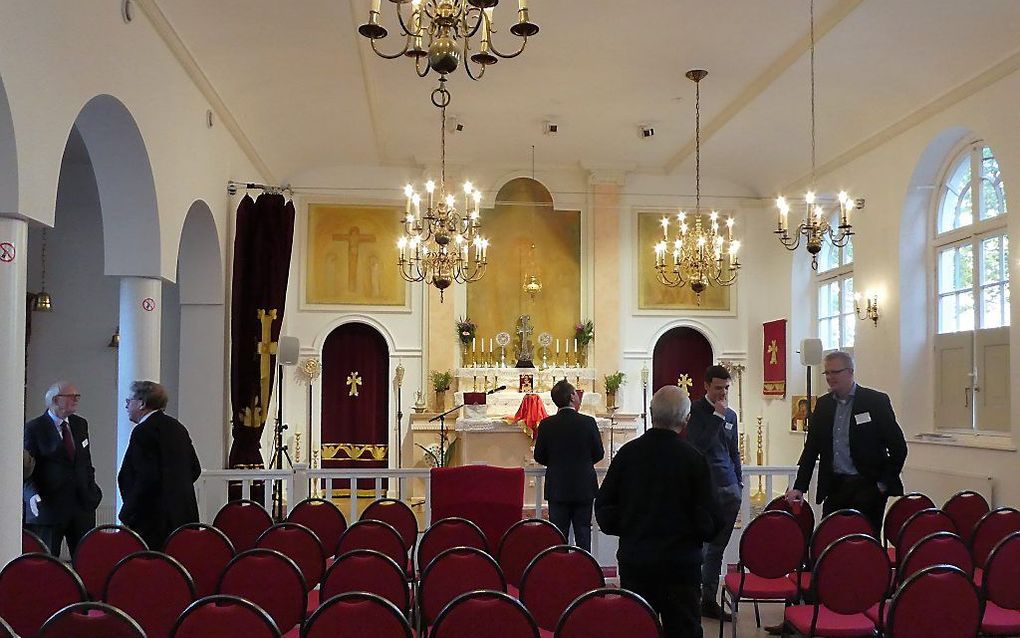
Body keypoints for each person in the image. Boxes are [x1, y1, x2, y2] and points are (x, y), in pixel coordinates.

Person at [596, 386, 722, 638]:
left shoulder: (628, 455)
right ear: (687, 419)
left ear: (651, 413)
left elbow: (604, 510)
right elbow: (711, 520)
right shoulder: (694, 459)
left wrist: (631, 525)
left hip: (637, 560)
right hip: (681, 564)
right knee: (684, 629)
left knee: (638, 628)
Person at [786, 351, 908, 534]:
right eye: (827, 373)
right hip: (835, 486)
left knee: (863, 543)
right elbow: (811, 449)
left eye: (835, 372)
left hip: (868, 487)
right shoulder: (823, 405)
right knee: (830, 539)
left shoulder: (875, 401)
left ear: (850, 372)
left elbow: (899, 448)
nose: (830, 377)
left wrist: (881, 485)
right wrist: (799, 487)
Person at [685, 365, 742, 622]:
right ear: (706, 386)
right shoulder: (695, 411)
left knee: (717, 549)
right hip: (704, 489)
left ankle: (708, 599)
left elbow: (733, 452)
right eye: (718, 388)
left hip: (728, 488)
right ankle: (692, 597)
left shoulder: (731, 415)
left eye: (726, 388)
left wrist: (738, 482)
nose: (723, 393)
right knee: (701, 548)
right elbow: (698, 445)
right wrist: (717, 417)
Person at [119, 380, 202, 550]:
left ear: (142, 403)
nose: (126, 406)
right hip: (183, 513)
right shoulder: (177, 427)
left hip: (152, 518)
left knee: (152, 568)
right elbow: (195, 468)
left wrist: (127, 513)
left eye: (129, 401)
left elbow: (145, 477)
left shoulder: (143, 431)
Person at [23, 381, 103, 556]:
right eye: (70, 396)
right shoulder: (35, 428)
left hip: (82, 505)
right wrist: (31, 494)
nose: (76, 400)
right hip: (50, 505)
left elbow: (85, 461)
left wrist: (93, 490)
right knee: (47, 561)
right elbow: (26, 467)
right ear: (54, 400)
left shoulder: (80, 424)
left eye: (77, 396)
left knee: (86, 559)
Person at [534, 379, 605, 551]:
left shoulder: (546, 425)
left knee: (558, 534)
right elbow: (599, 453)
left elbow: (539, 456)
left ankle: (560, 571)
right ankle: (585, 571)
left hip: (557, 487)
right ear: (572, 396)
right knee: (583, 532)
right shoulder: (588, 422)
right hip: (583, 486)